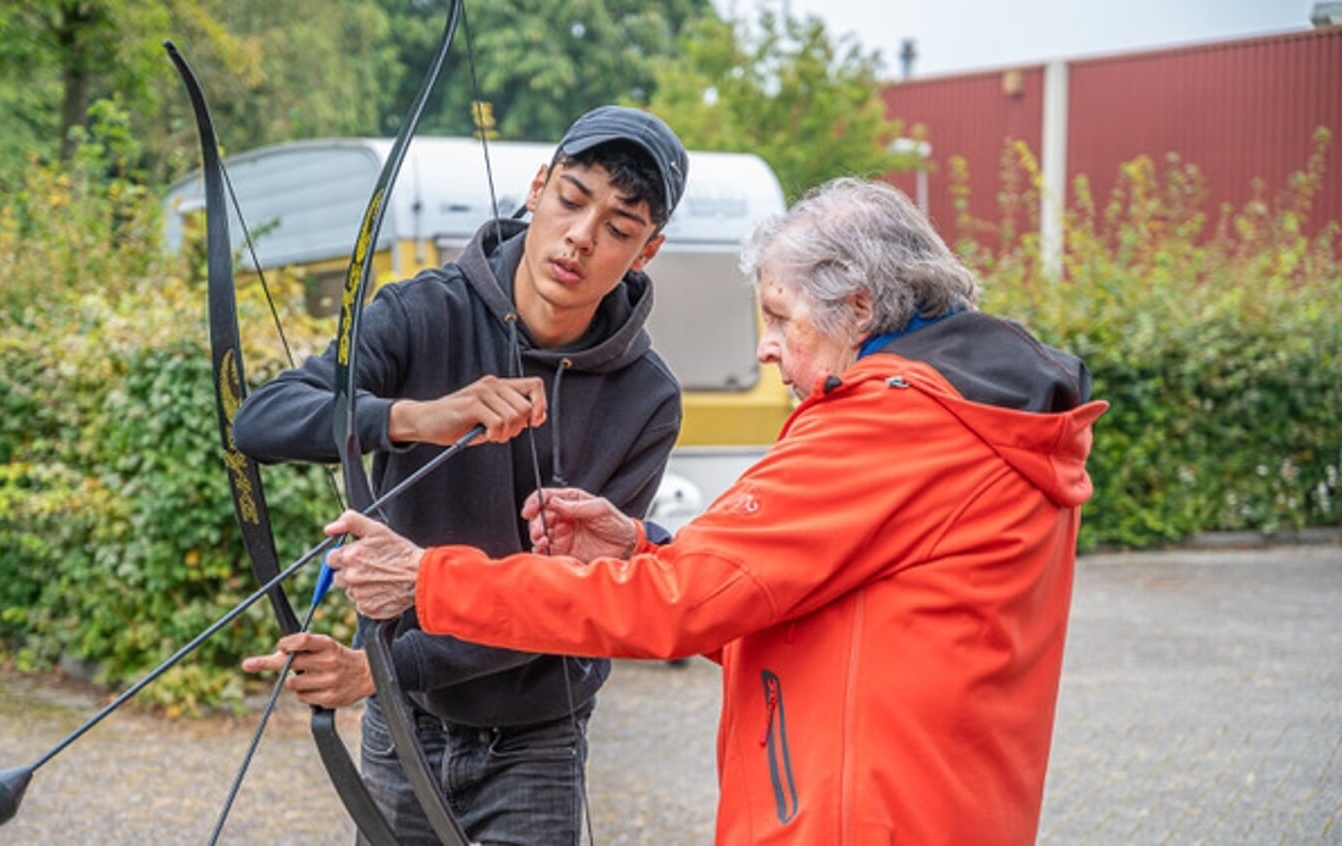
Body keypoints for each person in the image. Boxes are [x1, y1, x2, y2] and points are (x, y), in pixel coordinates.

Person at [323, 177, 1110, 845]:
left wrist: (430, 579)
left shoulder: (896, 427)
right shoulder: (971, 416)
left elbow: (680, 608)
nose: (766, 348)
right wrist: (638, 548)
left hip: (856, 820)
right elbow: (814, 619)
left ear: (860, 309)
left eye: (779, 315)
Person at [232, 105, 689, 845]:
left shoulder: (647, 398)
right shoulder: (422, 312)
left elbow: (578, 602)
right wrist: (415, 416)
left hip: (537, 732)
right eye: (571, 200)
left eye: (618, 227)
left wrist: (378, 670)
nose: (581, 236)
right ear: (537, 189)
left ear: (647, 251)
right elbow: (261, 420)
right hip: (405, 724)